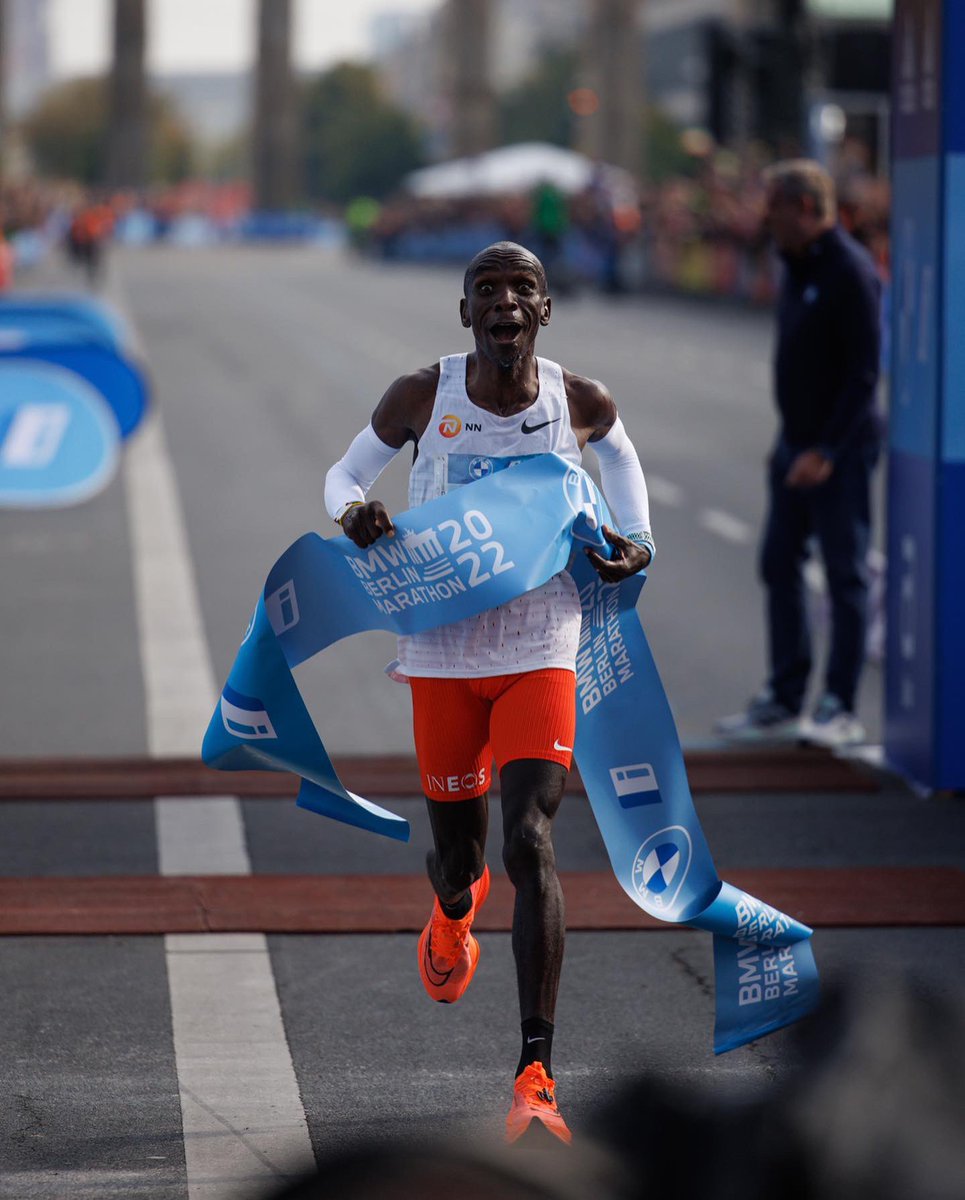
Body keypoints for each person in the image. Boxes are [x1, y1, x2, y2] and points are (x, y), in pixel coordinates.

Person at [324, 242, 654, 1144]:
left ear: (544, 309)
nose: (504, 301)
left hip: (541, 640)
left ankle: (535, 1074)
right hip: (441, 645)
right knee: (461, 858)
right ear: (465, 311)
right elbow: (345, 475)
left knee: (529, 839)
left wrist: (637, 537)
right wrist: (354, 512)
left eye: (521, 289)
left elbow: (621, 461)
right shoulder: (420, 396)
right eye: (487, 290)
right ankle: (451, 909)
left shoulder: (577, 400)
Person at [717, 160, 882, 749]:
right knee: (778, 562)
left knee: (844, 573)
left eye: (776, 209)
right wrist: (787, 443)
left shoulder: (850, 271)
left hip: (840, 449)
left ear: (808, 209)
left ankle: (839, 704)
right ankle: (784, 698)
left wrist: (827, 449)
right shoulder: (795, 265)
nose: (767, 220)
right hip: (796, 445)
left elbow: (864, 375)